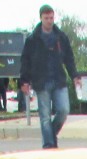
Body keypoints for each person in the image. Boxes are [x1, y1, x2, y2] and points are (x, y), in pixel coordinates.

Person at [19, 5, 76, 149]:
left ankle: (50, 134)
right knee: (44, 116)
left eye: (51, 18)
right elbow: (25, 60)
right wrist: (24, 80)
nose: (49, 21)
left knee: (63, 110)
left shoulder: (61, 37)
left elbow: (69, 58)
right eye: (46, 18)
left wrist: (75, 75)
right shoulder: (33, 39)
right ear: (41, 18)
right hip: (41, 81)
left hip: (58, 80)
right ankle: (49, 145)